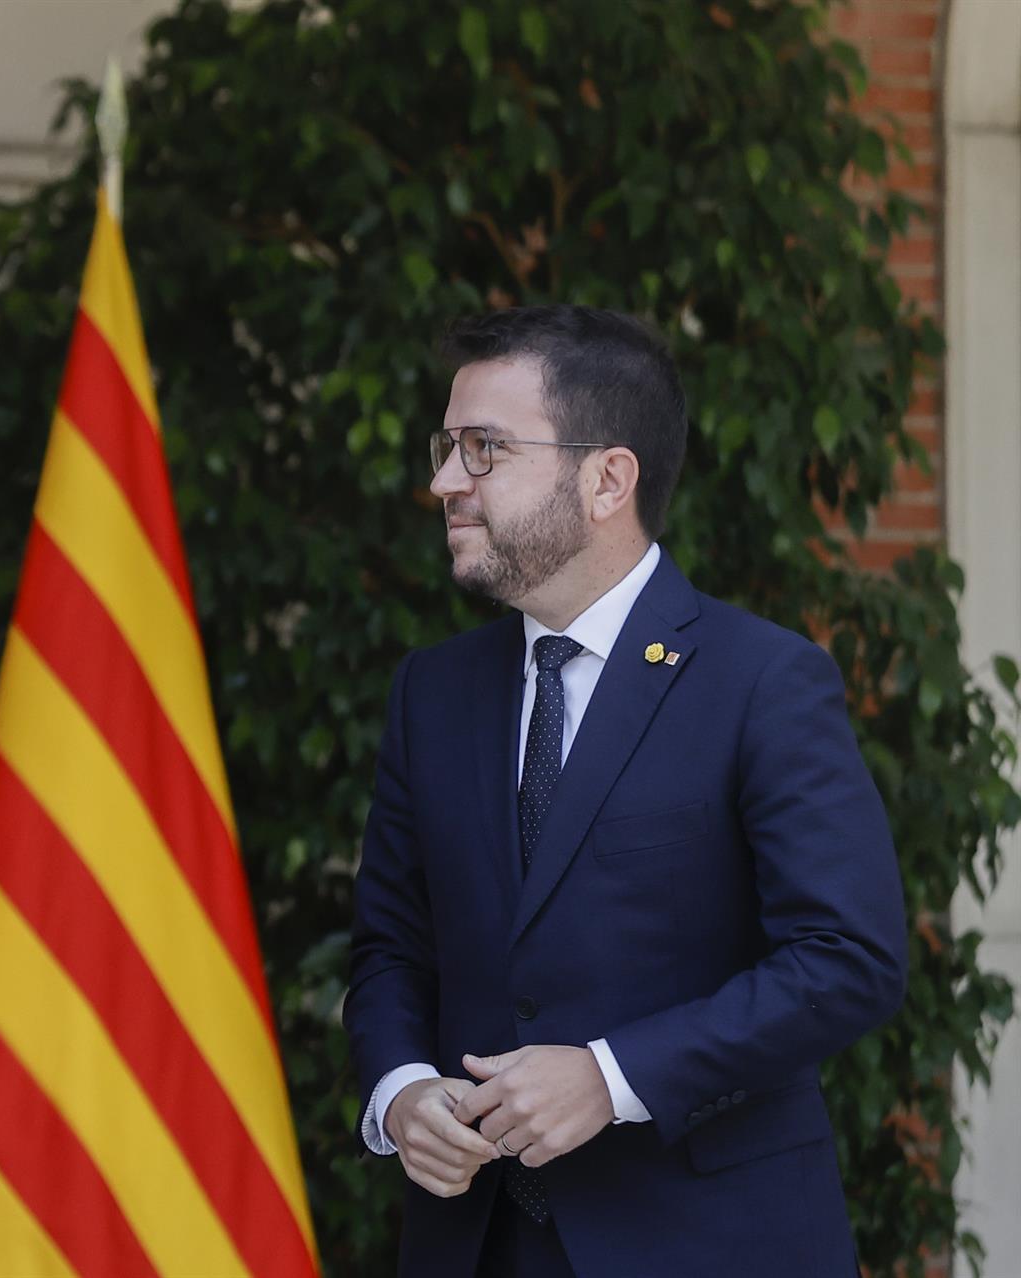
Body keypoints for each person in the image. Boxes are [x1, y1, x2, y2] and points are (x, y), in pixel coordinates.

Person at [343, 305, 906, 1277]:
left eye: (483, 449)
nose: (443, 482)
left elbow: (848, 957)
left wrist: (612, 1079)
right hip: (473, 1246)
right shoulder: (429, 692)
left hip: (708, 1244)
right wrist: (399, 1093)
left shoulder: (762, 681)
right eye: (447, 447)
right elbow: (392, 948)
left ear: (607, 478)